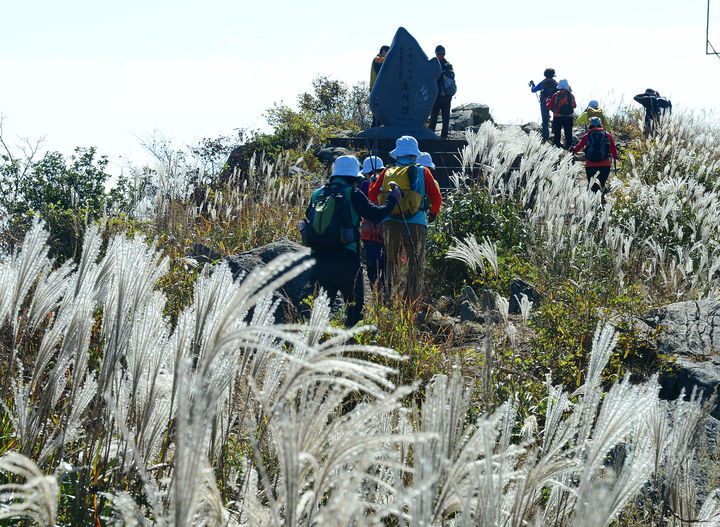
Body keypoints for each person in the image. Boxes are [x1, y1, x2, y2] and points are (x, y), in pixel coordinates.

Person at [302, 155, 401, 326]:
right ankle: (350, 348)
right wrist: (392, 199)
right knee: (355, 312)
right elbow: (376, 215)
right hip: (347, 261)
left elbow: (308, 217)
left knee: (319, 313)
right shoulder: (353, 193)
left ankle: (314, 347)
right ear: (355, 176)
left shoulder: (318, 194)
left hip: (318, 261)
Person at [368, 136, 442, 302]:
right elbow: (436, 199)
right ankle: (410, 304)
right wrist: (433, 212)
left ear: (398, 154)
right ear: (415, 154)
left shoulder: (387, 171)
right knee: (415, 265)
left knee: (392, 261)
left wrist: (374, 182)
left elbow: (372, 196)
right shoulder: (424, 171)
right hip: (416, 223)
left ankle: (388, 298)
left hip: (390, 223)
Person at [358, 156, 386, 291]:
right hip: (387, 229)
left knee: (372, 263)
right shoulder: (388, 183)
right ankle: (383, 290)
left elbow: (362, 208)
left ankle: (375, 289)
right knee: (385, 262)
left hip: (369, 231)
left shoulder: (364, 185)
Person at [572, 116, 619, 193]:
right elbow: (613, 149)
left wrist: (573, 150)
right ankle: (602, 201)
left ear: (590, 125)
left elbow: (579, 147)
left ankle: (594, 202)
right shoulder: (607, 135)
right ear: (600, 124)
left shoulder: (587, 136)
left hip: (590, 164)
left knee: (593, 187)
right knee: (601, 185)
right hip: (605, 164)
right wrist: (615, 157)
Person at [428, 45, 455, 139]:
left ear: (436, 54)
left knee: (434, 116)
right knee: (446, 116)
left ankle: (431, 135)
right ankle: (444, 136)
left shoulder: (434, 65)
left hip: (437, 95)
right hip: (447, 95)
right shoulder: (449, 65)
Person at [545, 79, 576, 149]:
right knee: (568, 133)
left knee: (557, 133)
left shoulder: (556, 95)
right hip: (569, 117)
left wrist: (548, 102)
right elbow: (574, 106)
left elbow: (549, 106)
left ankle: (557, 146)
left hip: (558, 116)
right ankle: (569, 147)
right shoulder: (571, 95)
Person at [529, 68, 558, 140]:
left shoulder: (543, 82)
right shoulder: (555, 83)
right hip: (553, 102)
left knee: (544, 120)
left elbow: (533, 90)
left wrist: (533, 84)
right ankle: (554, 131)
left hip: (544, 102)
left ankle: (546, 136)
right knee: (556, 117)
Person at [370, 45, 390, 127]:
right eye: (388, 52)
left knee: (381, 108)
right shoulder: (377, 59)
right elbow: (381, 64)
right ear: (384, 51)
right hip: (375, 88)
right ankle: (375, 127)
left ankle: (376, 126)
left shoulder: (380, 59)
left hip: (379, 88)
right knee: (377, 109)